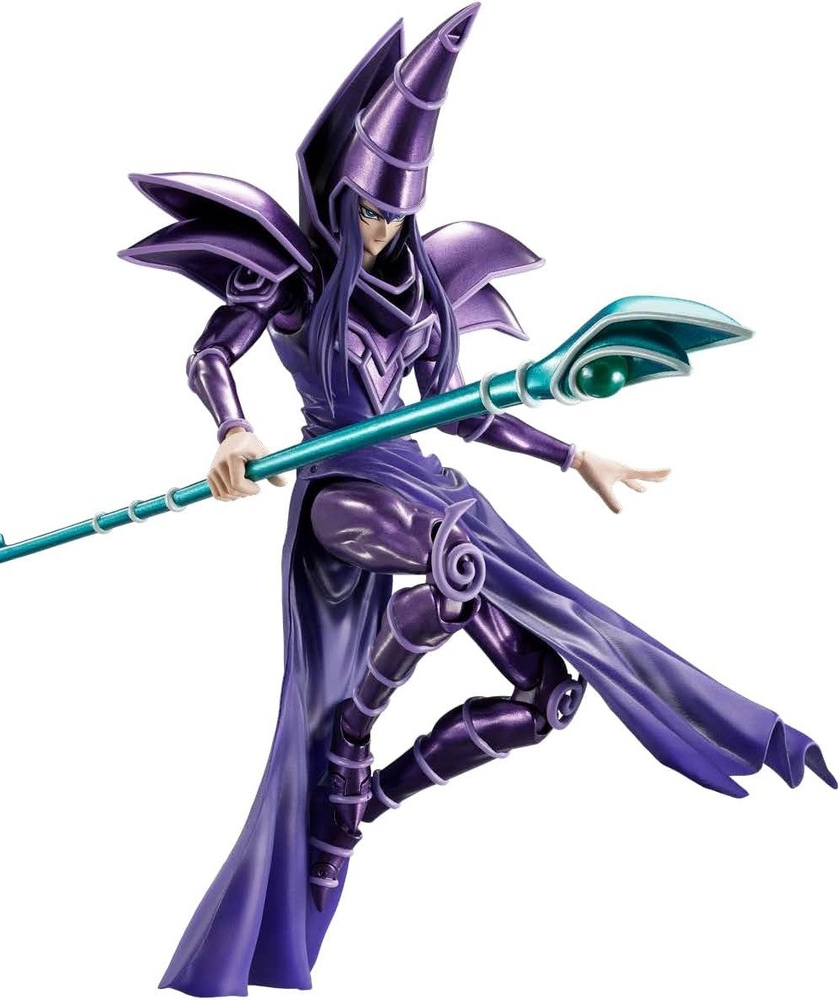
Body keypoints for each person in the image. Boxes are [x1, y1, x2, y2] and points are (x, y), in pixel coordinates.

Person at [120, 6, 834, 996]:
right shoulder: (294, 281)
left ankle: (365, 800)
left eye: (393, 215)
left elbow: (462, 414)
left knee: (550, 693)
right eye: (365, 210)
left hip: (426, 485)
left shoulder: (422, 298)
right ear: (339, 198)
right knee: (447, 558)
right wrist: (232, 428)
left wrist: (570, 453)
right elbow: (211, 352)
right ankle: (352, 736)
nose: (378, 229)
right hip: (341, 495)